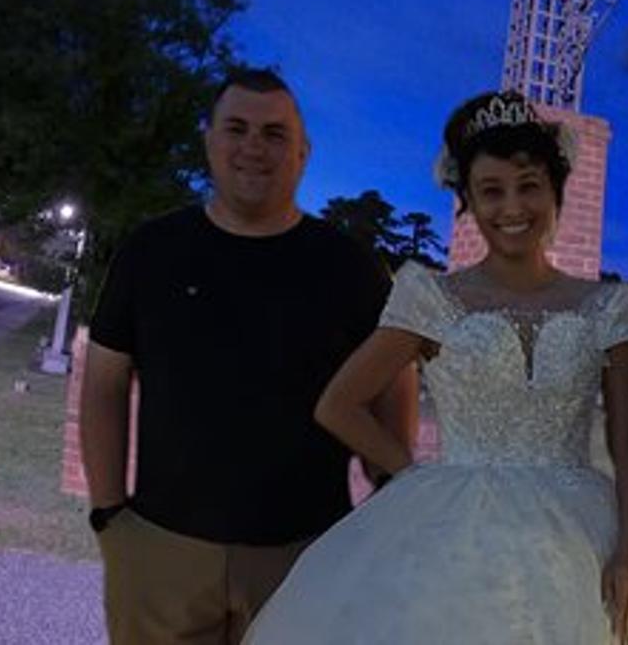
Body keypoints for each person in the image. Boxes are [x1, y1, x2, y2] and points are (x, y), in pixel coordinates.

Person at [243, 91, 628, 644]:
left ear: (556, 191)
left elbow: (625, 441)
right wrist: (414, 477)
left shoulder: (608, 306)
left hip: (576, 538)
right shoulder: (432, 298)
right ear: (469, 201)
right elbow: (338, 405)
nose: (512, 207)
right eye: (491, 191)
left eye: (529, 186)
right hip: (452, 535)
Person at [81, 68, 416, 645]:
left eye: (275, 134)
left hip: (304, 559)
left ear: (304, 153)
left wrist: (387, 491)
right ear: (209, 141)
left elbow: (395, 384)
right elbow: (104, 385)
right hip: (162, 553)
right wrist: (111, 516)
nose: (254, 147)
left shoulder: (351, 268)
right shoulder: (151, 251)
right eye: (237, 128)